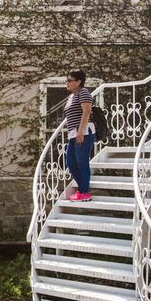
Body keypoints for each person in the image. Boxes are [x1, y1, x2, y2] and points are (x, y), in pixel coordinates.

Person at [64, 68, 95, 202]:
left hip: (84, 132)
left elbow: (87, 111)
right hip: (73, 134)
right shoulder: (71, 96)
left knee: (82, 162)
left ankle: (84, 192)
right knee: (70, 163)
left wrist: (81, 131)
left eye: (69, 80)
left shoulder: (83, 92)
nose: (67, 83)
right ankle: (83, 189)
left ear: (78, 82)